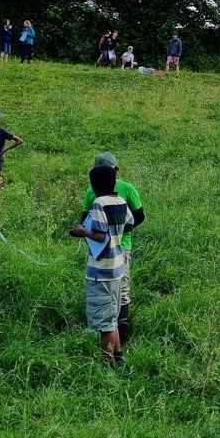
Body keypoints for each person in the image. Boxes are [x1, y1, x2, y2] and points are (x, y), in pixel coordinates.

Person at [70, 164, 135, 365]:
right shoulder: (121, 201)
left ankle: (107, 365)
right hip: (117, 266)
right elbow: (130, 224)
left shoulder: (99, 203)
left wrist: (82, 232)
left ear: (94, 185)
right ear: (115, 181)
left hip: (102, 271)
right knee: (112, 316)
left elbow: (98, 235)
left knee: (105, 323)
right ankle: (118, 357)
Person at [81, 152, 145, 348]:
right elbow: (86, 217)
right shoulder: (94, 194)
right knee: (116, 289)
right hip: (103, 251)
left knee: (121, 289)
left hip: (118, 248)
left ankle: (120, 331)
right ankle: (116, 340)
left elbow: (139, 216)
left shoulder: (126, 189)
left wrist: (116, 232)